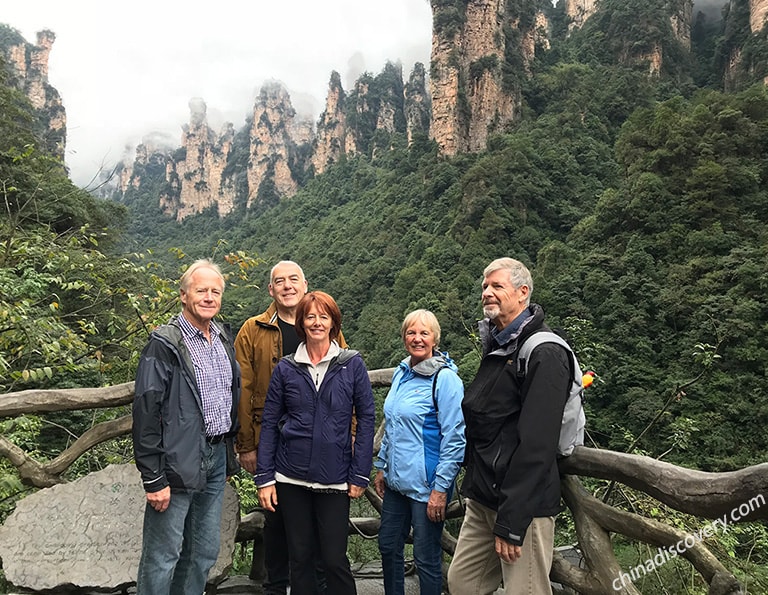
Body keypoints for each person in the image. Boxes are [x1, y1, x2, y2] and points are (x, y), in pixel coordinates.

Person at [447, 257, 571, 595]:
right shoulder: (500, 343)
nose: (487, 292)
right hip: (485, 496)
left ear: (523, 292)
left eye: (497, 286)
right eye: (485, 286)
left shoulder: (544, 352)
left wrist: (512, 520)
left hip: (521, 507)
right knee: (463, 584)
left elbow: (537, 445)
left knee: (525, 590)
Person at [255, 291, 375, 595]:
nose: (317, 322)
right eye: (310, 316)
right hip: (290, 477)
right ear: (301, 322)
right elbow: (269, 424)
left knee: (334, 560)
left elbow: (366, 418)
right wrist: (265, 478)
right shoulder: (286, 368)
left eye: (324, 316)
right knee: (301, 559)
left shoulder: (351, 364)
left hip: (335, 478)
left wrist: (359, 473)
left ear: (333, 322)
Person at [132, 259, 240, 594]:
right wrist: (153, 476)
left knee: (203, 552)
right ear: (183, 295)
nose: (209, 297)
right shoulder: (164, 344)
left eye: (215, 291)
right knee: (163, 554)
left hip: (216, 454)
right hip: (176, 460)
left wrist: (230, 453)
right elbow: (146, 411)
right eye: (201, 290)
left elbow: (229, 395)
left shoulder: (222, 336)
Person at [234, 260, 342, 594]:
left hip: (321, 446)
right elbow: (242, 389)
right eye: (279, 281)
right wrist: (247, 445)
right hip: (272, 444)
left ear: (305, 285)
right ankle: (276, 587)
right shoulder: (253, 330)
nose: (287, 285)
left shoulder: (325, 325)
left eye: (293, 279)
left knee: (322, 526)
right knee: (277, 522)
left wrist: (347, 439)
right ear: (271, 289)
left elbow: (347, 386)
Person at [374, 309, 466, 595]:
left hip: (428, 485)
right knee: (388, 546)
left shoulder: (445, 379)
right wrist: (381, 466)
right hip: (396, 482)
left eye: (424, 333)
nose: (417, 339)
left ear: (435, 339)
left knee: (426, 558)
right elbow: (393, 425)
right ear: (404, 338)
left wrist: (440, 489)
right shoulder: (403, 372)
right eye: (411, 333)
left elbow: (455, 438)